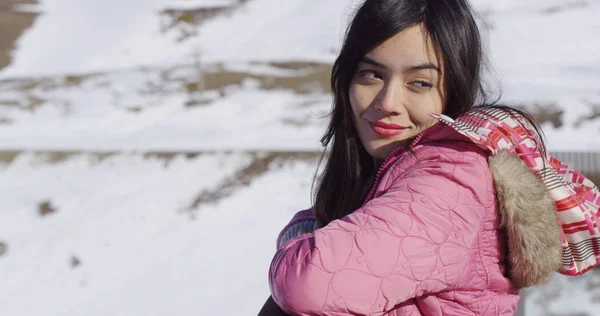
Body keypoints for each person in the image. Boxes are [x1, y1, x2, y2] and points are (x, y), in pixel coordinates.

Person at [260, 0, 600, 315]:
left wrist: (302, 233)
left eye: (420, 83)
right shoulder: (401, 171)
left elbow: (308, 282)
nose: (388, 101)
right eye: (372, 74)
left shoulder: (451, 177)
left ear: (454, 91)